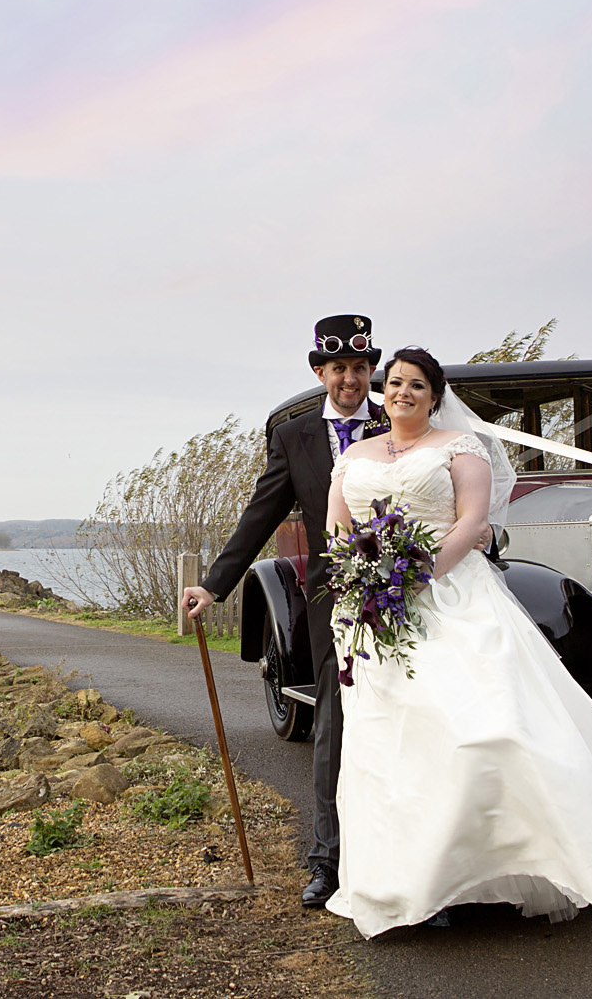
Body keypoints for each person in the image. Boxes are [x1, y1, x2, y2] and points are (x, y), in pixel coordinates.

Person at [324, 346, 592, 938]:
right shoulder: (355, 456)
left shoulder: (459, 448)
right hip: (373, 614)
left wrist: (414, 577)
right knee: (391, 744)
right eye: (395, 382)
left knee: (486, 730)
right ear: (383, 391)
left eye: (417, 385)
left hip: (452, 601)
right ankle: (404, 883)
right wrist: (366, 583)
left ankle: (516, 862)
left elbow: (472, 525)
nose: (403, 392)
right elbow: (339, 530)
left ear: (434, 394)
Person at [181, 314, 385, 910]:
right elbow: (260, 514)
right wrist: (214, 586)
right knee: (335, 719)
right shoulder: (295, 437)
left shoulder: (397, 418)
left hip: (406, 596)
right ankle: (327, 860)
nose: (351, 379)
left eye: (360, 367)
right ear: (321, 372)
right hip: (332, 600)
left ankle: (413, 857)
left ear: (372, 369)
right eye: (338, 368)